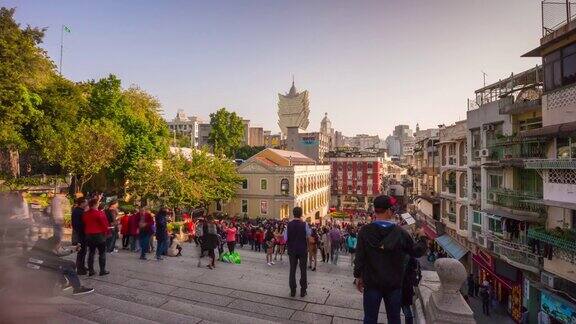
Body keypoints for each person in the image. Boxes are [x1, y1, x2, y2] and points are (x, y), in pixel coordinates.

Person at [354, 195, 428, 324]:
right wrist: (422, 237)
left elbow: (359, 257)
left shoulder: (364, 231)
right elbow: (417, 252)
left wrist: (358, 277)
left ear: (374, 210)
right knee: (394, 319)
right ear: (389, 211)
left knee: (370, 318)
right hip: (393, 285)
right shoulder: (401, 233)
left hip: (371, 283)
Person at [285, 207, 310, 298]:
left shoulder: (289, 225)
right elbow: (309, 235)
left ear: (293, 214)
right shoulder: (304, 224)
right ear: (301, 214)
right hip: (302, 249)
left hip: (292, 250)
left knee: (292, 270)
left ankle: (293, 291)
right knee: (303, 270)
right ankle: (303, 291)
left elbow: (285, 238)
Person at [82, 197, 110, 276]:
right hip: (99, 235)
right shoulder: (100, 213)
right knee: (102, 253)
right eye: (97, 203)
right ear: (95, 204)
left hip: (89, 235)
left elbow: (84, 223)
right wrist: (106, 232)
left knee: (91, 252)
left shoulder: (85, 214)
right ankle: (102, 270)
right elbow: (105, 225)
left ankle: (91, 270)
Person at [401, 256, 421, 324]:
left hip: (404, 288)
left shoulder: (410, 258)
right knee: (405, 309)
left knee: (406, 311)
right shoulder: (411, 258)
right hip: (405, 288)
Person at [71, 197, 88, 275]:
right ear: (82, 203)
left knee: (83, 251)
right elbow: (77, 223)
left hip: (82, 233)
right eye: (85, 202)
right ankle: (80, 268)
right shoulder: (78, 211)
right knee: (81, 251)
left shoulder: (79, 210)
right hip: (81, 233)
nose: (86, 204)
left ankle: (82, 266)